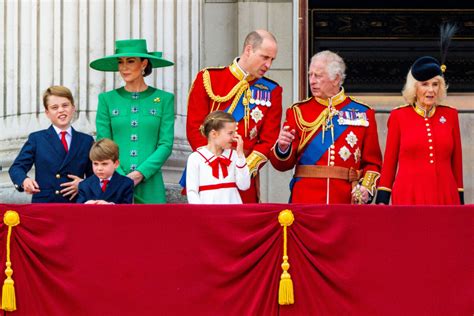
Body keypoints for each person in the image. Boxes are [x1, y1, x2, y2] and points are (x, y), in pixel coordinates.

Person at [269, 50, 382, 204]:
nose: (312, 81)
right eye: (310, 75)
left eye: (318, 76)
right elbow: (282, 165)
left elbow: (372, 163)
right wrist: (282, 147)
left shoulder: (363, 112)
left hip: (345, 199)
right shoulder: (297, 111)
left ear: (336, 79)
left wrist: (366, 189)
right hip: (306, 199)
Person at [186, 29, 282, 203]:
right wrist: (211, 161)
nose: (268, 65)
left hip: (242, 178)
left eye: (272, 60)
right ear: (248, 50)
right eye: (264, 57)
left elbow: (269, 140)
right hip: (208, 175)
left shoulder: (272, 90)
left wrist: (242, 168)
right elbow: (194, 127)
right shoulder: (208, 78)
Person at [90, 39, 175, 204]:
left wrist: (140, 173)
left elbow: (165, 144)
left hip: (150, 183)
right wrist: (121, 176)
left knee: (153, 228)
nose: (124, 67)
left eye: (130, 61)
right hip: (115, 182)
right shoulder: (107, 99)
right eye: (120, 62)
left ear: (144, 63)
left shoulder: (165, 99)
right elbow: (104, 143)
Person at [375, 56, 464, 205]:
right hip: (409, 195)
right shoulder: (399, 116)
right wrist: (382, 199)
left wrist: (460, 199)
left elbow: (457, 163)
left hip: (445, 195)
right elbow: (390, 162)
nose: (431, 90)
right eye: (425, 84)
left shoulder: (450, 115)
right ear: (414, 88)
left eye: (435, 84)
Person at [9, 85, 94, 203]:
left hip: (76, 204)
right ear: (47, 113)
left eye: (65, 105)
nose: (61, 110)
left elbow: (97, 175)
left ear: (73, 108)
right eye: (54, 107)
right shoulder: (37, 139)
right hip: (45, 204)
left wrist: (84, 184)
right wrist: (24, 181)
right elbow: (16, 168)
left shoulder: (86, 141)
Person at [186, 111, 250, 204]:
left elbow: (244, 185)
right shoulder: (195, 158)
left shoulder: (235, 156)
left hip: (233, 211)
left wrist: (240, 156)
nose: (234, 137)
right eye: (230, 133)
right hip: (208, 212)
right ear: (214, 134)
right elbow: (192, 192)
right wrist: (200, 214)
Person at [77, 138, 134, 204]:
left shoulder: (126, 184)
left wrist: (110, 207)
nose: (99, 168)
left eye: (104, 164)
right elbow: (78, 210)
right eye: (95, 163)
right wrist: (85, 205)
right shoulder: (84, 185)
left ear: (116, 164)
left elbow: (127, 210)